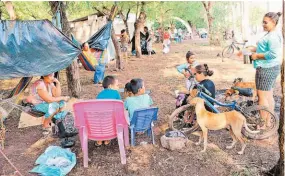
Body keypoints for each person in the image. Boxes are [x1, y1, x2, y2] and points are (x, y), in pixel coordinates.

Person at [245, 12, 282, 128]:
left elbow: (273, 54)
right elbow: (266, 48)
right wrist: (255, 49)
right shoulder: (272, 34)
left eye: (265, 22)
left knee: (262, 97)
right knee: (268, 96)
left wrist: (256, 56)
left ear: (274, 22)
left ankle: (262, 124)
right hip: (271, 67)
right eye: (263, 22)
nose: (263, 24)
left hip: (266, 68)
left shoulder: (272, 36)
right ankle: (268, 121)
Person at [95, 76, 121, 146]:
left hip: (99, 120)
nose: (118, 87)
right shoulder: (116, 93)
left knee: (101, 120)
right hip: (111, 119)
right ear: (110, 86)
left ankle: (99, 140)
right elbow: (120, 105)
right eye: (117, 85)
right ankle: (107, 139)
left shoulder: (99, 95)